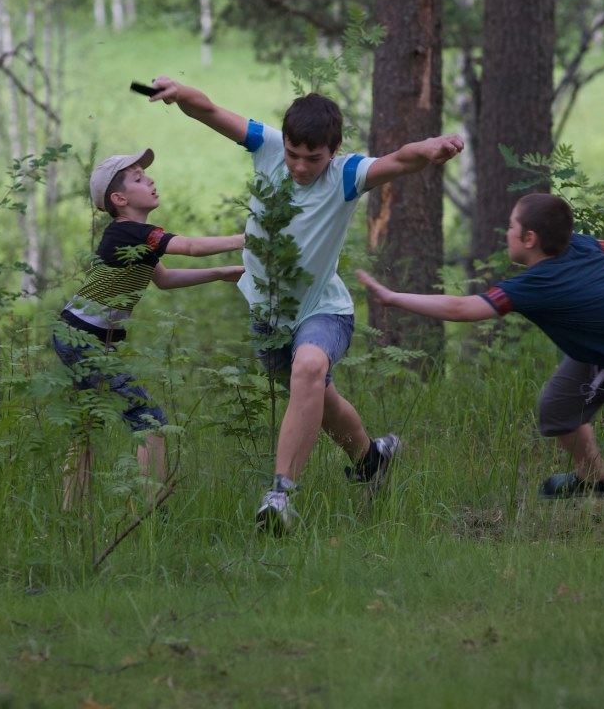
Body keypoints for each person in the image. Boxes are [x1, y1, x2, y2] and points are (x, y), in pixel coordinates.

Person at [144, 76, 464, 533]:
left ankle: (280, 496)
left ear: (332, 151)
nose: (298, 166)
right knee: (318, 399)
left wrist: (432, 147)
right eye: (293, 154)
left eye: (312, 159)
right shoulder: (268, 146)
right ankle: (372, 459)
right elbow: (211, 111)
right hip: (268, 314)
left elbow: (399, 160)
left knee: (309, 369)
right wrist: (179, 93)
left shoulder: (347, 175)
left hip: (324, 309)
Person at [356, 192, 604, 531]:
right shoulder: (583, 245)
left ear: (529, 239)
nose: (506, 232)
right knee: (559, 409)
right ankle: (593, 480)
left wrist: (392, 297)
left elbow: (461, 309)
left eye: (510, 226)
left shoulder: (533, 286)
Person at [54, 148, 244, 510]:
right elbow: (187, 246)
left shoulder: (133, 236)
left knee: (86, 427)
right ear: (120, 198)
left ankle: (70, 513)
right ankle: (149, 513)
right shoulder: (130, 232)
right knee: (151, 422)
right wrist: (245, 238)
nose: (151, 180)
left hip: (77, 335)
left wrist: (222, 273)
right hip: (83, 340)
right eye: (139, 178)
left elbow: (165, 279)